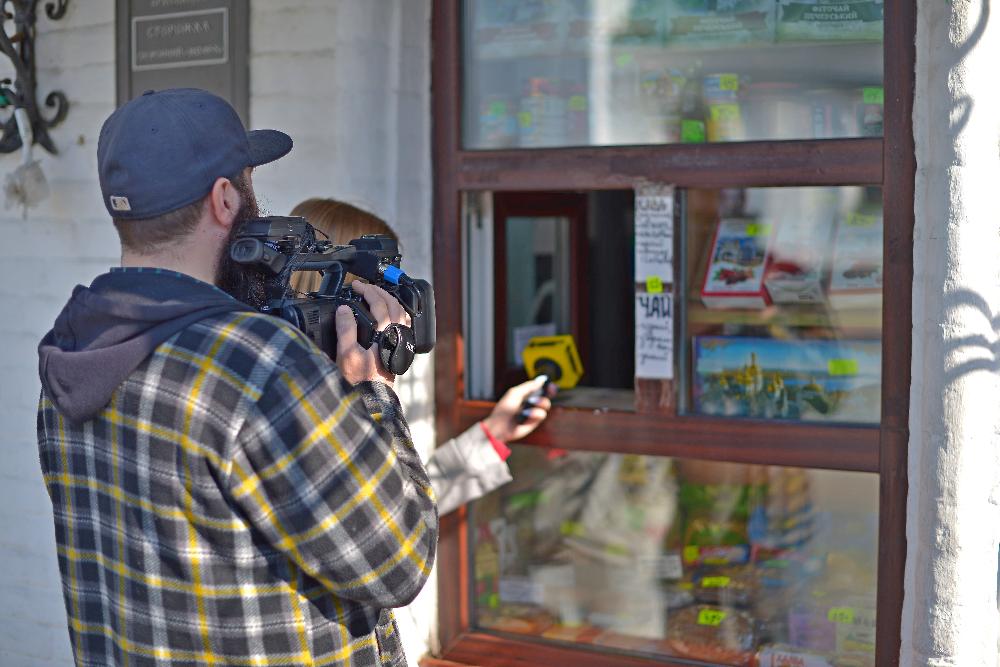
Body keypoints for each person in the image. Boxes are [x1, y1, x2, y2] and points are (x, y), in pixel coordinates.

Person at [36, 89, 435, 666]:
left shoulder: (70, 352)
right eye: (248, 184)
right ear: (225, 199)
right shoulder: (257, 363)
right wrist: (374, 395)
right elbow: (398, 562)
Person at [288, 198, 556, 515]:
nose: (396, 306)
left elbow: (407, 504)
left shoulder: (340, 376)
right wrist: (369, 393)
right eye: (384, 283)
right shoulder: (299, 400)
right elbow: (387, 522)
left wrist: (493, 434)